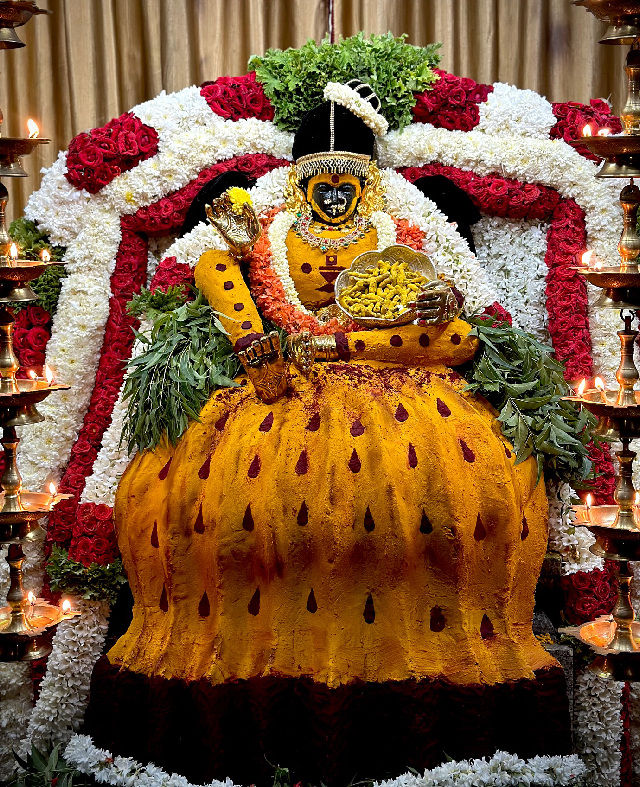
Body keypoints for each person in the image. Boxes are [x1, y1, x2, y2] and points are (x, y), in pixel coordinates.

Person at [89, 80, 570, 785]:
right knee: (223, 508)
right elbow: (213, 267)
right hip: (277, 383)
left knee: (450, 490)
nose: (336, 195)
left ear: (368, 183)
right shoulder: (266, 229)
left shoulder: (399, 236)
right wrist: (251, 336)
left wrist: (434, 299)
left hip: (396, 377)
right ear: (301, 181)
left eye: (348, 182)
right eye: (324, 182)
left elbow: (454, 331)